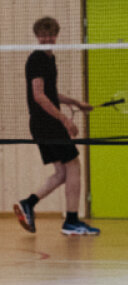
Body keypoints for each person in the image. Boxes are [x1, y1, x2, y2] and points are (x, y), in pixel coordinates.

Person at [13, 15, 97, 238]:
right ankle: (71, 221)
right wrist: (64, 119)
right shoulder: (37, 59)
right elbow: (39, 96)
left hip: (44, 123)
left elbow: (50, 93)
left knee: (62, 173)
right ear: (36, 36)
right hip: (46, 123)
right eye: (43, 35)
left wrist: (76, 103)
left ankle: (28, 203)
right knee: (74, 165)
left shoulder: (50, 60)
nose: (47, 39)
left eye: (50, 35)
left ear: (56, 35)